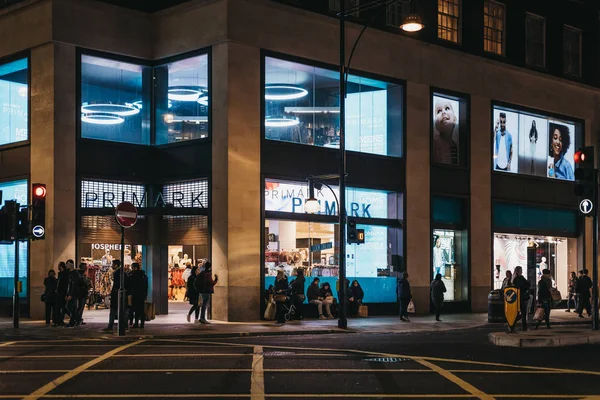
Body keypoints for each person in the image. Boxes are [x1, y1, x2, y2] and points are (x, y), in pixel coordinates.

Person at [433, 98, 458, 164]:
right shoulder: (434, 143)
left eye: (447, 108)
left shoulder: (455, 146)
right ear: (436, 124)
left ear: (455, 120)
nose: (443, 112)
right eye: (439, 111)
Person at [103, 260, 123, 332]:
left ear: (116, 265)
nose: (112, 266)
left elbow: (116, 285)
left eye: (113, 264)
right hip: (118, 294)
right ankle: (122, 325)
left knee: (113, 310)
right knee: (120, 310)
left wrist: (113, 292)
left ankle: (110, 326)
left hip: (117, 294)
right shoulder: (121, 272)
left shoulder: (117, 273)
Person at [512, 266, 530, 331]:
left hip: (516, 297)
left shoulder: (514, 278)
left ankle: (512, 324)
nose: (522, 271)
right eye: (521, 270)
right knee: (523, 312)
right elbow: (527, 285)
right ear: (519, 271)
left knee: (517, 312)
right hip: (521, 297)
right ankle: (523, 326)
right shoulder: (520, 278)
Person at [130, 263, 148, 328]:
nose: (131, 269)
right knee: (141, 309)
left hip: (135, 294)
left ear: (135, 268)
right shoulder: (144, 275)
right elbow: (146, 286)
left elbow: (131, 284)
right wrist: (145, 294)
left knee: (135, 309)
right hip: (142, 295)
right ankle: (142, 324)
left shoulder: (133, 275)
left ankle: (136, 323)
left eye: (132, 267)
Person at [65, 259, 81, 327]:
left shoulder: (75, 273)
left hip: (74, 293)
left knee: (69, 307)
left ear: (71, 264)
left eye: (68, 264)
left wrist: (70, 294)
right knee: (72, 307)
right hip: (71, 293)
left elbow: (74, 285)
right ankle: (72, 322)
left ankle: (78, 319)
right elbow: (69, 285)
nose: (66, 265)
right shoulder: (70, 273)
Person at [55, 261, 68, 326]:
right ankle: (58, 321)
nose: (58, 267)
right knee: (59, 307)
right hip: (59, 293)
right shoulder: (60, 273)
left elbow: (64, 284)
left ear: (61, 266)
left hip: (62, 293)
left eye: (58, 265)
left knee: (62, 307)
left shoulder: (64, 274)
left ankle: (60, 320)